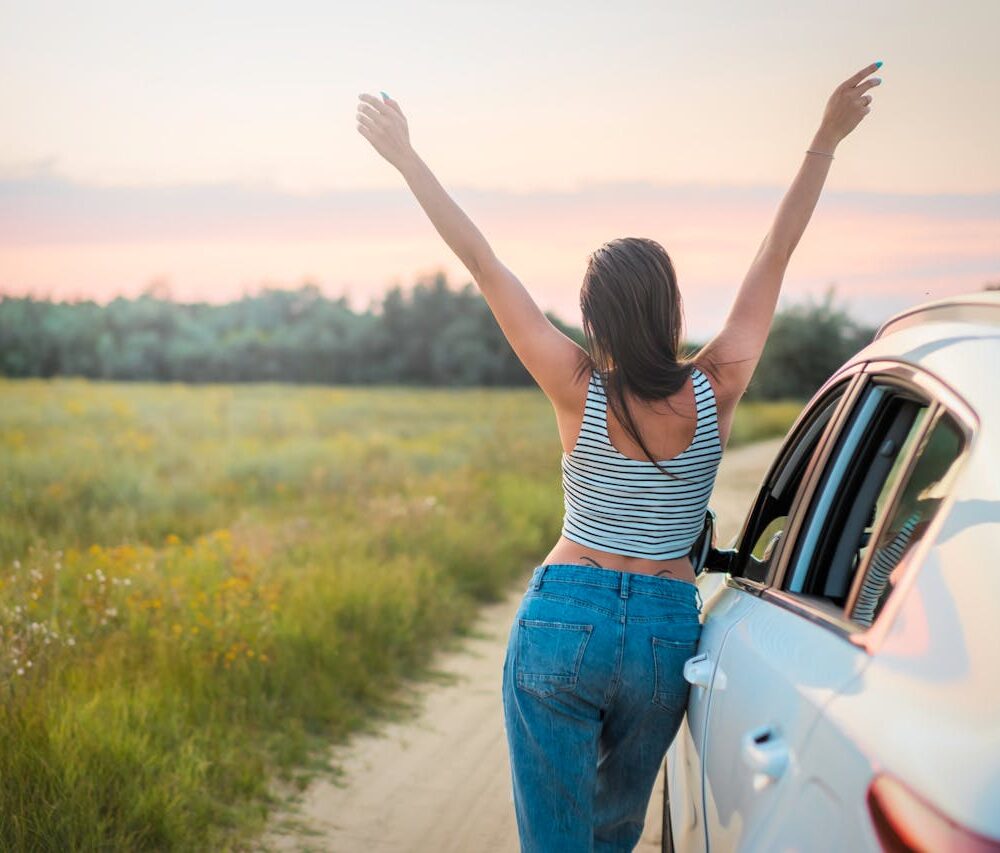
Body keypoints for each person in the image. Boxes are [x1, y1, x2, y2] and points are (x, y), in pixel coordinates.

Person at [356, 60, 881, 852]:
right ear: (672, 309)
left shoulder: (575, 386)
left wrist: (406, 158)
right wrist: (825, 140)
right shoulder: (717, 385)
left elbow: (483, 262)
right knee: (611, 838)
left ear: (592, 318)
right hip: (665, 633)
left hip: (565, 612)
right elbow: (774, 254)